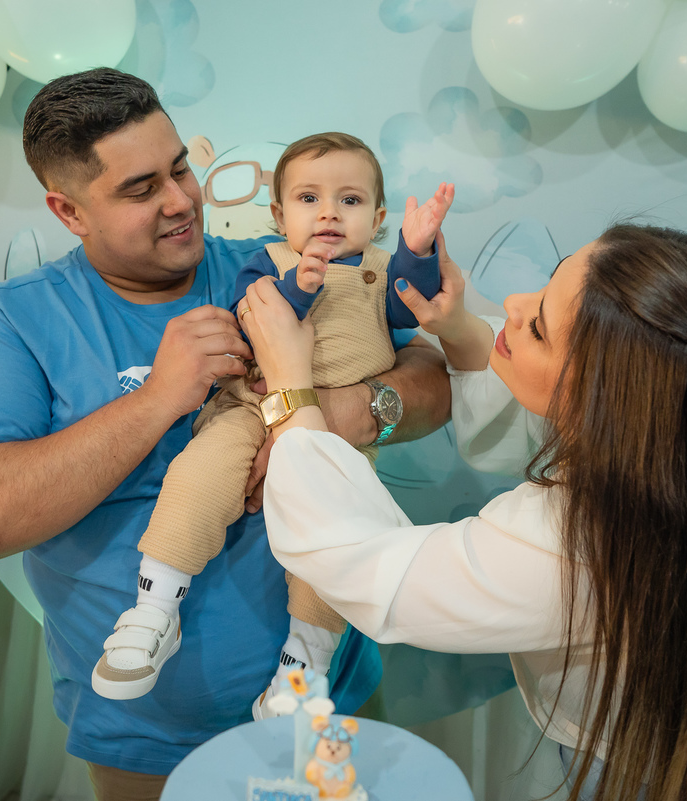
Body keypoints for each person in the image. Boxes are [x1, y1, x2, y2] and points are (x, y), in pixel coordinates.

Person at [0, 68, 452, 798]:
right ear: (68, 210)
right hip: (145, 739)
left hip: (331, 702)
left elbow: (429, 380)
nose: (180, 201)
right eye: (141, 189)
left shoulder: (267, 263)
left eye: (180, 168)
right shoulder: (20, 321)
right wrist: (157, 399)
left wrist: (342, 410)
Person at [241, 224, 687, 801]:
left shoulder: (577, 544)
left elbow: (369, 569)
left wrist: (290, 386)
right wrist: (456, 326)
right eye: (548, 283)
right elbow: (539, 407)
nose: (511, 302)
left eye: (538, 328)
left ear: (599, 404)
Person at [92, 131, 455, 715]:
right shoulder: (268, 261)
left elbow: (420, 302)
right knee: (198, 476)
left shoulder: (383, 272)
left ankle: (304, 663)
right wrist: (299, 289)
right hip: (251, 412)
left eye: (352, 201)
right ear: (278, 214)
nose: (330, 213)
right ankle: (154, 608)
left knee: (338, 539)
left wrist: (419, 248)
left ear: (379, 216)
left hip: (336, 435)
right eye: (309, 199)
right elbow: (253, 312)